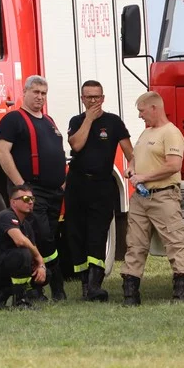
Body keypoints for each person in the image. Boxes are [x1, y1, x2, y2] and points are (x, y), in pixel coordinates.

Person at [0, 75, 68, 301]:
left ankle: (51, 287)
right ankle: (45, 287)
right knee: (40, 237)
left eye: (43, 93)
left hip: (54, 192)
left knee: (50, 238)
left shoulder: (49, 121)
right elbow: (2, 152)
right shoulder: (13, 120)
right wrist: (20, 186)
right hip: (31, 191)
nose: (40, 97)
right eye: (35, 92)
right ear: (24, 92)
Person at [122, 91, 184, 305]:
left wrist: (145, 176)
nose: (140, 116)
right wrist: (132, 169)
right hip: (141, 198)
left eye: (142, 111)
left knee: (175, 243)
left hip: (163, 196)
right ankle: (130, 296)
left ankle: (182, 294)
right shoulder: (146, 133)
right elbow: (134, 157)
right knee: (135, 245)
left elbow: (173, 165)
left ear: (154, 108)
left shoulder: (171, 133)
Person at [66, 80, 134, 302]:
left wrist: (133, 168)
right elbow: (76, 145)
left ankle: (95, 285)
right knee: (77, 234)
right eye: (88, 97)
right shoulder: (77, 121)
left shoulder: (113, 122)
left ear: (103, 98)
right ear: (82, 99)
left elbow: (129, 152)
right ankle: (85, 284)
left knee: (98, 233)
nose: (93, 101)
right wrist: (88, 120)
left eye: (97, 97)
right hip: (77, 183)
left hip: (103, 184)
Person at [0, 182, 46, 308]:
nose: (30, 202)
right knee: (23, 255)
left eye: (32, 199)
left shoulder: (26, 225)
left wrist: (42, 267)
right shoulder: (6, 216)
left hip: (4, 262)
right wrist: (39, 258)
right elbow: (20, 241)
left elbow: (33, 248)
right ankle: (20, 300)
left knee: (45, 273)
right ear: (13, 202)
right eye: (26, 199)